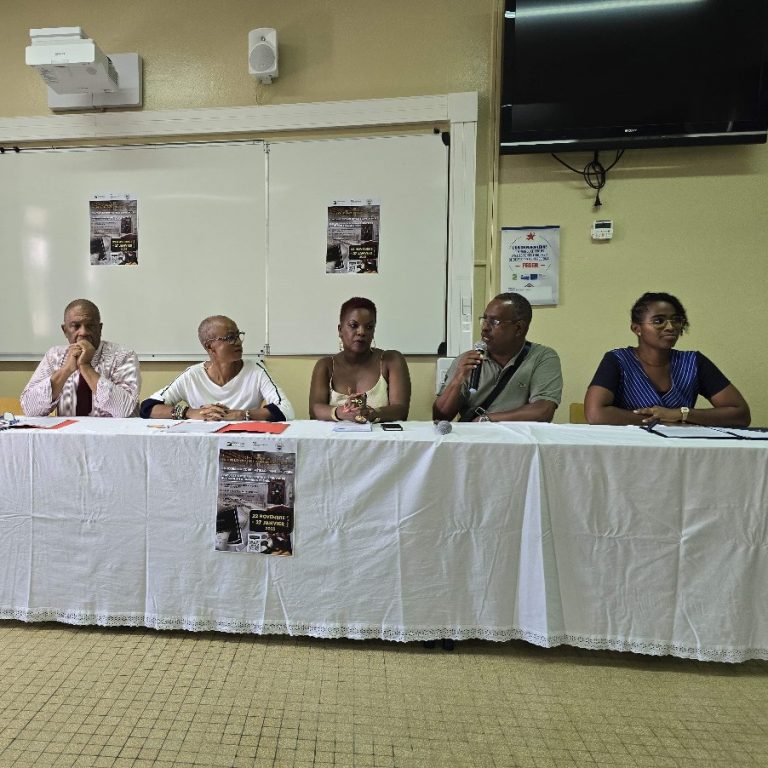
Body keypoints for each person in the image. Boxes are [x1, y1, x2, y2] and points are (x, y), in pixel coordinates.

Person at [584, 291, 750, 426]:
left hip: (681, 450)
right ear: (637, 328)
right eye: (659, 321)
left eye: (676, 320)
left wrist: (680, 414)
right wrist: (662, 420)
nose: (670, 327)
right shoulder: (618, 360)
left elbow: (740, 414)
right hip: (628, 449)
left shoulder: (693, 362)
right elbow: (595, 414)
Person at [434, 292, 562, 422]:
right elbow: (440, 417)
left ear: (519, 328)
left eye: (494, 321)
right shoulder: (467, 361)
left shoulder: (542, 357)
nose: (485, 327)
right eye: (484, 319)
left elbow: (543, 411)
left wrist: (486, 419)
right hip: (473, 434)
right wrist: (458, 379)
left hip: (517, 435)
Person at [140, 315, 294, 421]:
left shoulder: (255, 370)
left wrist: (241, 415)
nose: (238, 342)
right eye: (230, 338)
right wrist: (190, 412)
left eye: (238, 335)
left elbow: (286, 409)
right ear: (210, 347)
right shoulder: (193, 376)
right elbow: (148, 407)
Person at [21, 299, 140, 418]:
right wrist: (66, 370)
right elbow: (29, 408)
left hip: (112, 430)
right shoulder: (54, 356)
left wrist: (85, 366)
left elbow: (125, 410)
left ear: (100, 328)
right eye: (76, 326)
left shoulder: (123, 356)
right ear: (65, 330)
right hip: (68, 429)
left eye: (90, 326)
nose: (83, 332)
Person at [309, 297, 411, 423]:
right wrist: (342, 412)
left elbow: (401, 411)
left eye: (369, 327)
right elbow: (314, 411)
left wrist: (371, 413)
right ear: (340, 330)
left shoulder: (391, 360)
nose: (361, 332)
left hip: (379, 436)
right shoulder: (326, 365)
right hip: (334, 436)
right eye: (353, 325)